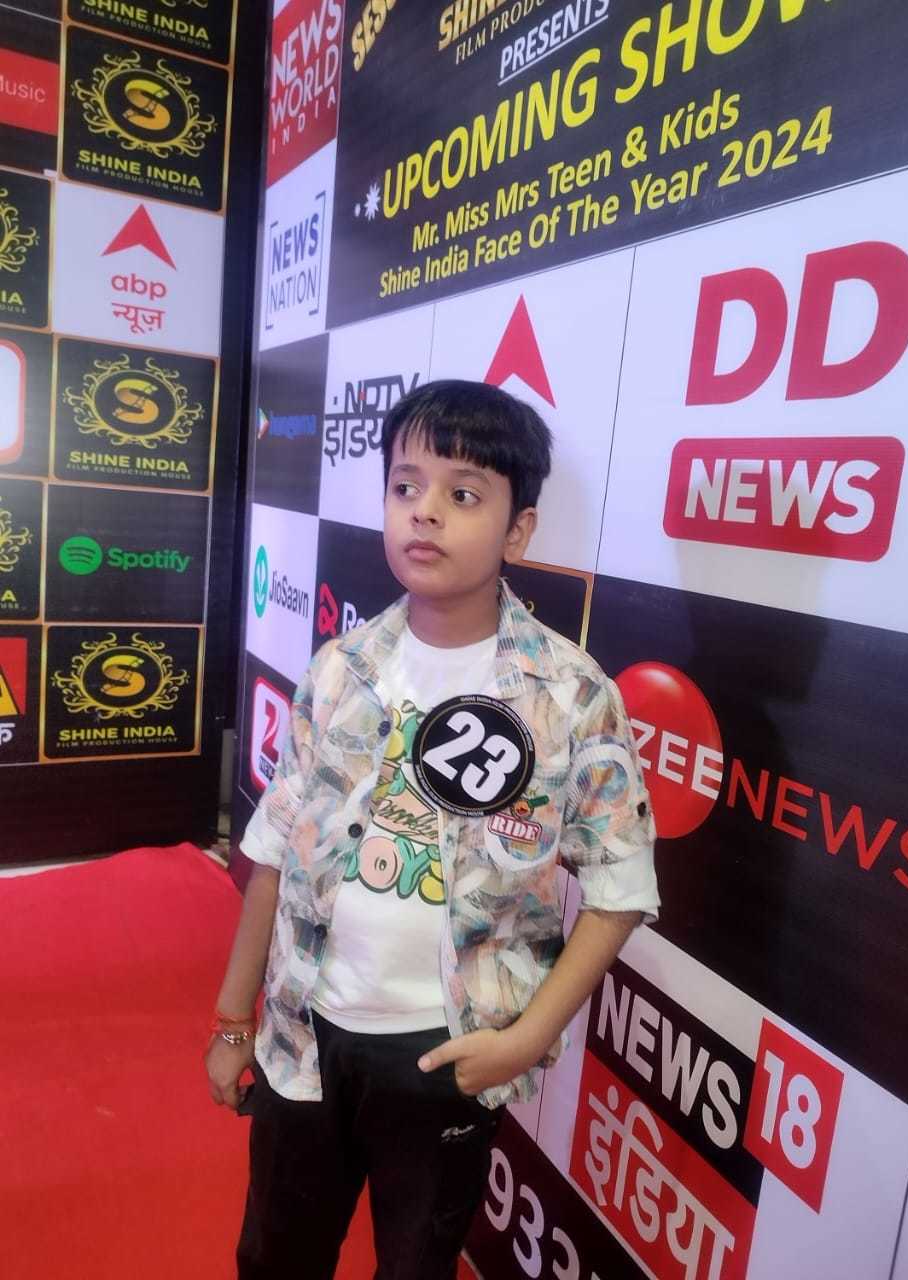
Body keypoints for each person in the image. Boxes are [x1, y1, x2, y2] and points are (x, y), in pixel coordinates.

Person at [206, 380, 659, 1279]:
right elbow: (273, 854)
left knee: (416, 1264)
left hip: (445, 1055)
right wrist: (231, 1020)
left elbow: (620, 889)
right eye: (405, 486)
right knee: (275, 1256)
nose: (425, 512)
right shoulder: (340, 669)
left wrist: (524, 1040)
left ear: (517, 531)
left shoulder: (570, 694)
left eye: (463, 494)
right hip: (304, 1035)